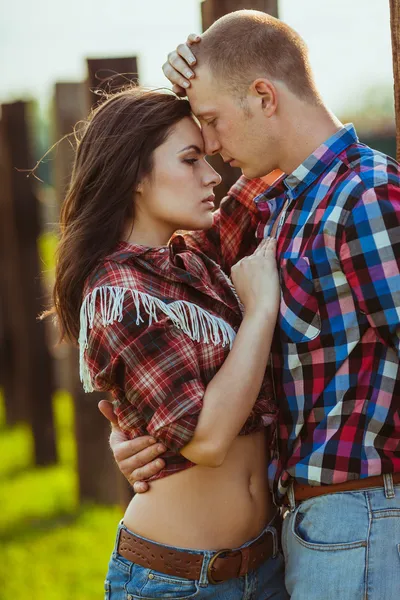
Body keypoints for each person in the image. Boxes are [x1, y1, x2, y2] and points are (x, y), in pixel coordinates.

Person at [104, 10, 400, 600]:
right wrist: (137, 426)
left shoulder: (365, 196)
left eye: (212, 121)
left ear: (264, 96)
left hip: (360, 514)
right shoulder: (279, 203)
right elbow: (155, 298)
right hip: (301, 526)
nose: (210, 146)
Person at [52, 86, 289, 599]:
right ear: (135, 174)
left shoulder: (195, 260)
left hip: (268, 563)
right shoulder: (118, 294)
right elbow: (205, 441)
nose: (212, 175)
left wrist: (194, 73)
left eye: (207, 157)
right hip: (180, 581)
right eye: (190, 160)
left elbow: (273, 164)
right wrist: (260, 312)